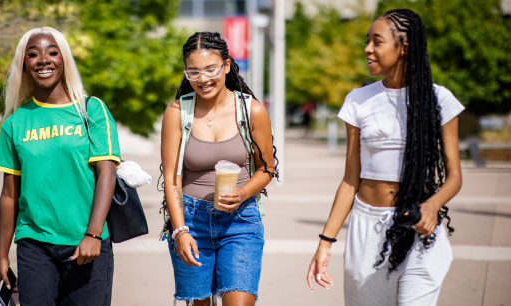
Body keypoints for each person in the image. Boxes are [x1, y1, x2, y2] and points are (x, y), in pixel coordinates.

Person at [306, 9, 464, 306]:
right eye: (367, 41)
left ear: (403, 47)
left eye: (376, 41)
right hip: (367, 228)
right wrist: (325, 242)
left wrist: (432, 206)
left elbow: (454, 176)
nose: (367, 49)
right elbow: (351, 179)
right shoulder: (358, 100)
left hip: (419, 227)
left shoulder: (439, 100)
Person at [0, 27, 120, 306]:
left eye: (53, 52)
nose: (43, 60)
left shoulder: (92, 110)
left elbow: (107, 174)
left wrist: (93, 234)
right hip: (34, 244)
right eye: (33, 54)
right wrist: (2, 255)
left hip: (85, 241)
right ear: (23, 65)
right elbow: (8, 195)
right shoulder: (15, 122)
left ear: (65, 60)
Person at [160, 32, 278, 306]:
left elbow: (267, 168)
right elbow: (171, 178)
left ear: (227, 65)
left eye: (211, 69)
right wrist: (180, 231)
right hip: (190, 220)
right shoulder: (177, 113)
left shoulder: (252, 111)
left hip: (241, 221)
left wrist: (243, 192)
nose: (203, 79)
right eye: (194, 72)